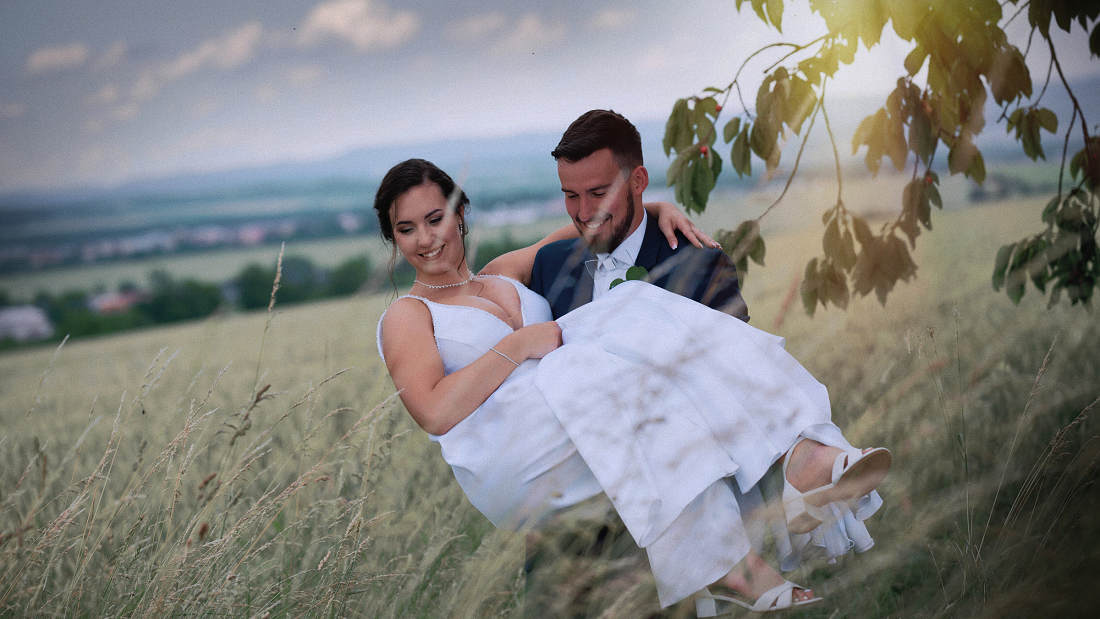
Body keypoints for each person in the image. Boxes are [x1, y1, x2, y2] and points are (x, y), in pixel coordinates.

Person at [373, 158, 890, 614]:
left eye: (435, 219)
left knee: (637, 313)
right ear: (393, 238)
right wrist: (520, 344)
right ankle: (756, 525)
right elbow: (434, 412)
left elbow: (587, 224)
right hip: (513, 453)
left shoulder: (501, 273)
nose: (426, 239)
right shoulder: (408, 314)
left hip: (574, 412)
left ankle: (798, 460)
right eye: (406, 229)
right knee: (616, 329)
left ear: (460, 213)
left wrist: (652, 209)